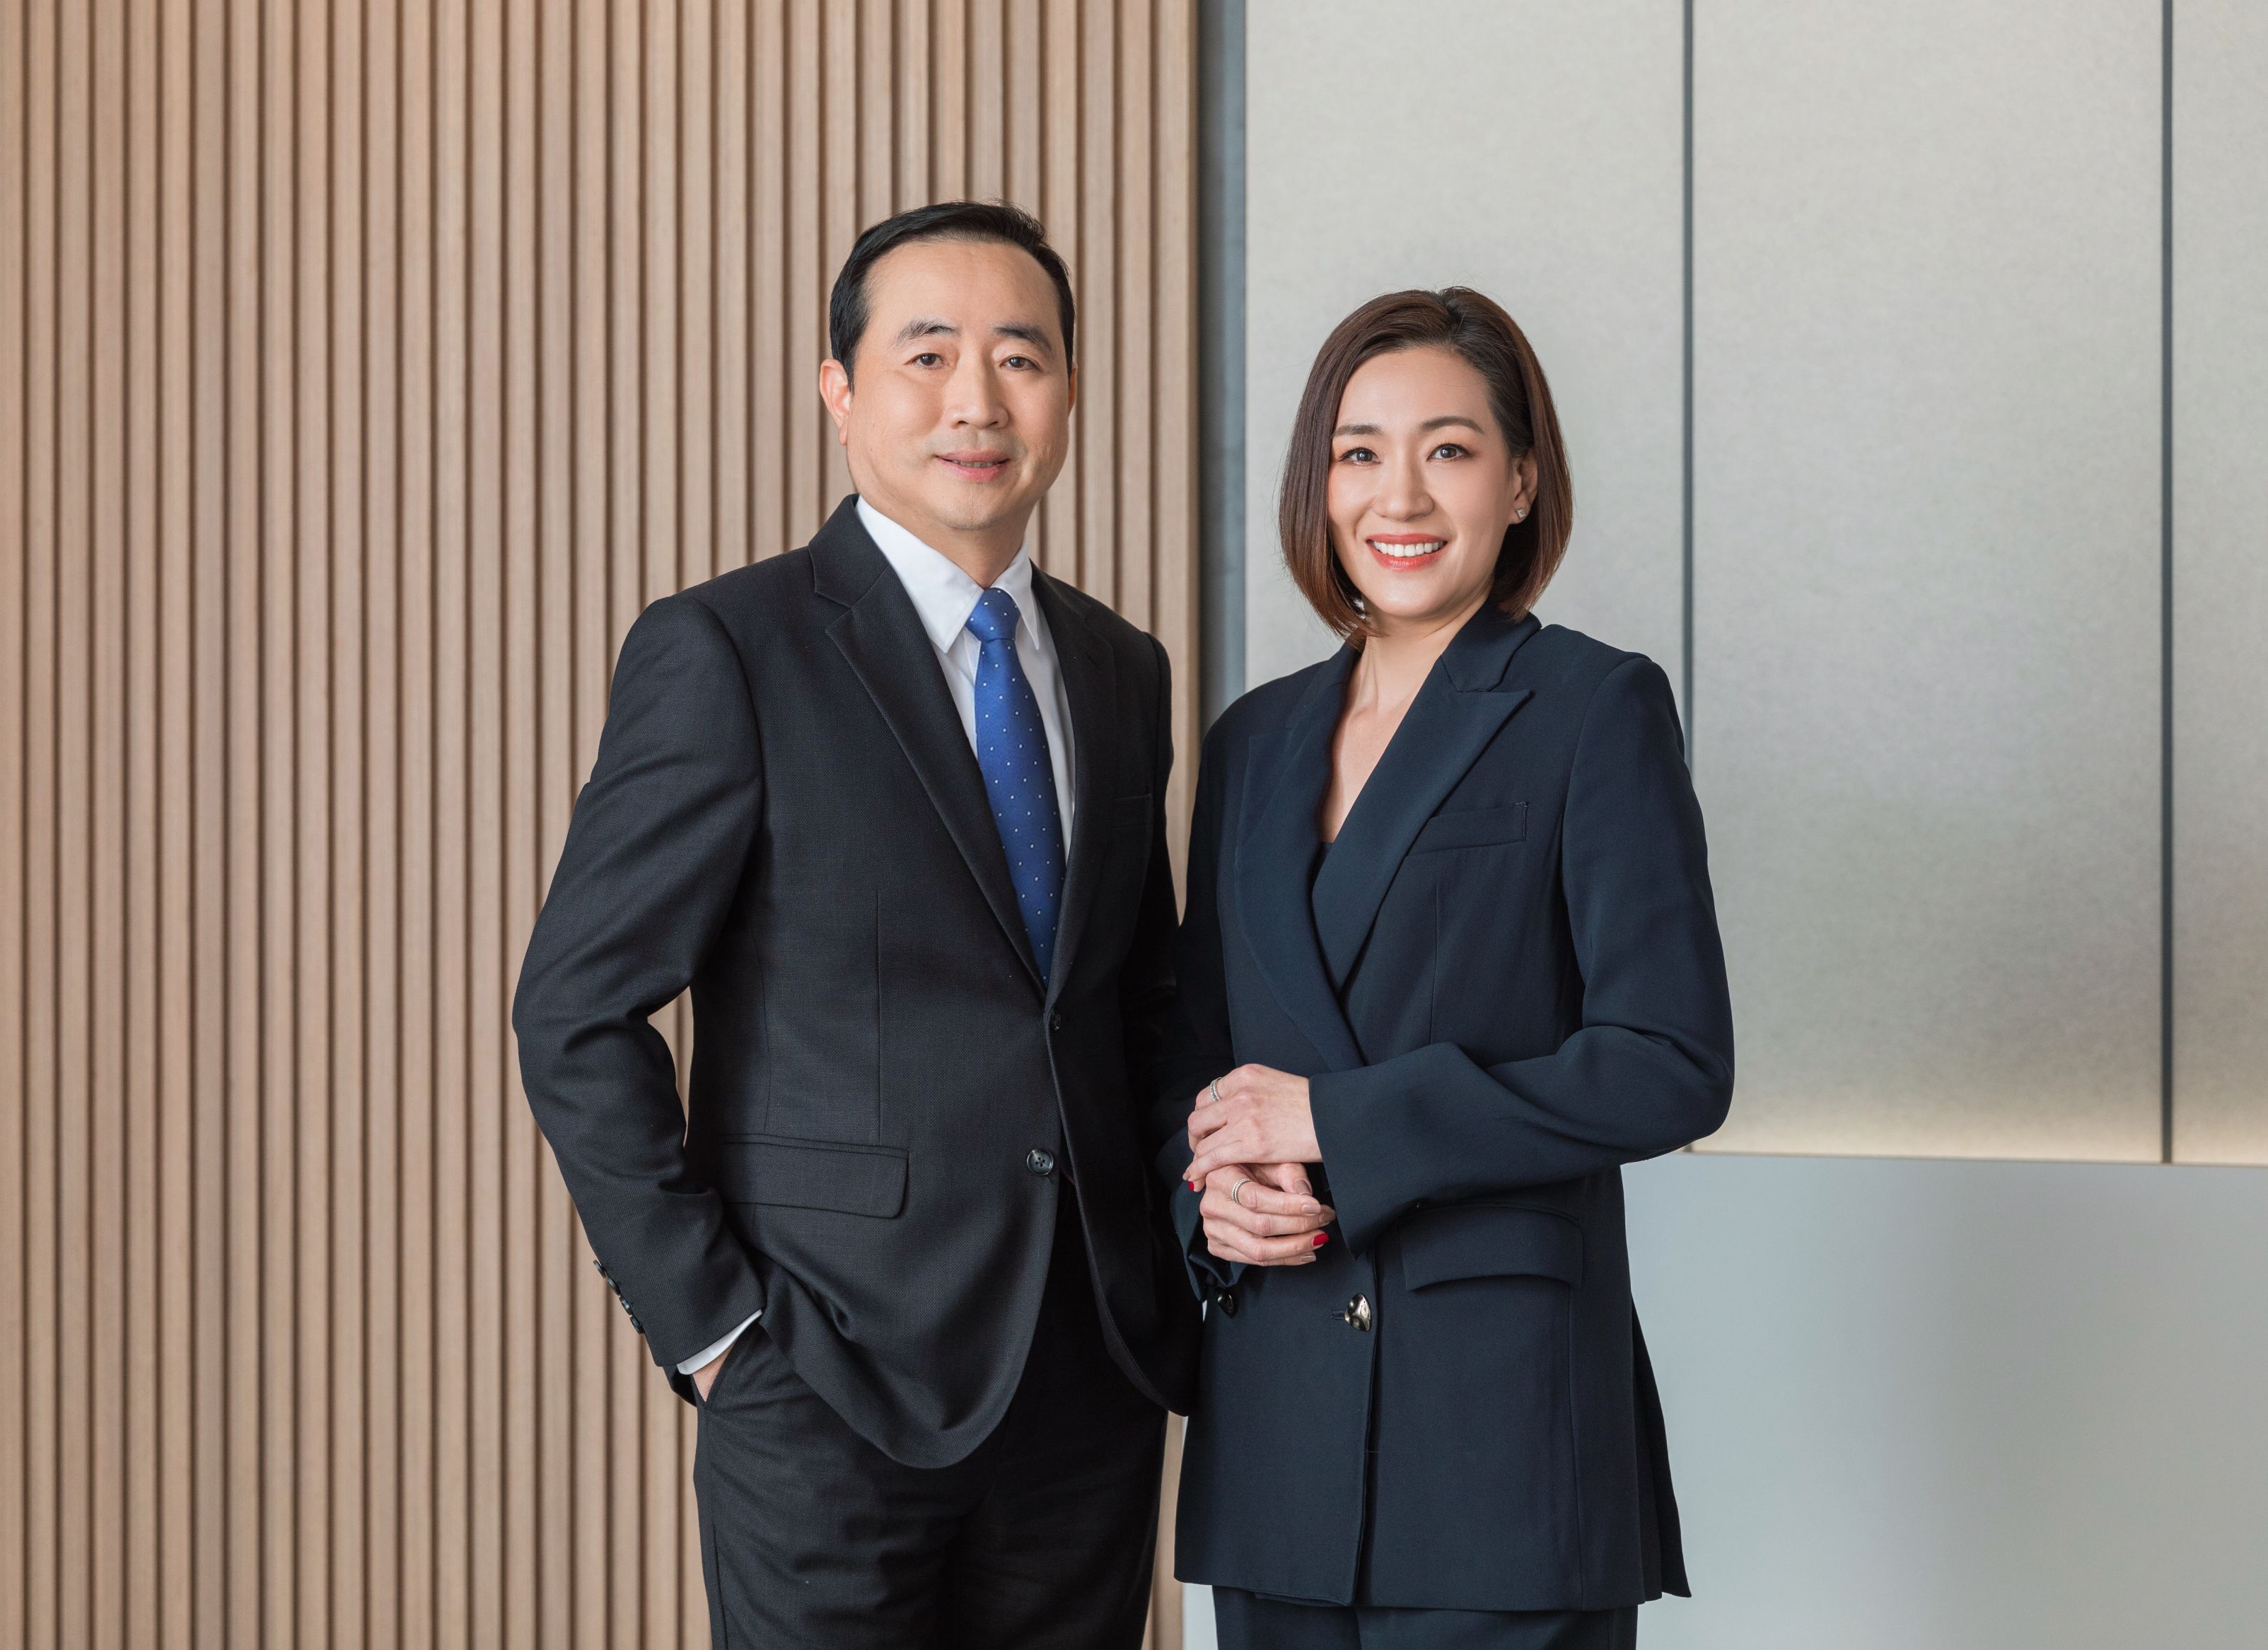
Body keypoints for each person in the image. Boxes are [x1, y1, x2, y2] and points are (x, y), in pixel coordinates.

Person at [511, 200, 1199, 1649]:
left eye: (1020, 358)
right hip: (826, 1385)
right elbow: (575, 1007)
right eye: (926, 355)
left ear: (1069, 391)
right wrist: (716, 1333)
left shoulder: (1120, 671)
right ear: (839, 390)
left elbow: (1138, 1006)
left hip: (1088, 1386)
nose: (976, 400)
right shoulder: (730, 647)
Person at [1161, 287, 1733, 1649]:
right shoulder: (1250, 743)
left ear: (1521, 480)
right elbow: (1191, 1061)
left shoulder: (1593, 706)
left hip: (1502, 1446)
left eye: (1451, 449)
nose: (1400, 494)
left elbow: (1671, 1064)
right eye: (1359, 451)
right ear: (1318, 483)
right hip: (1281, 1433)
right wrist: (1208, 1197)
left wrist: (1339, 1119)